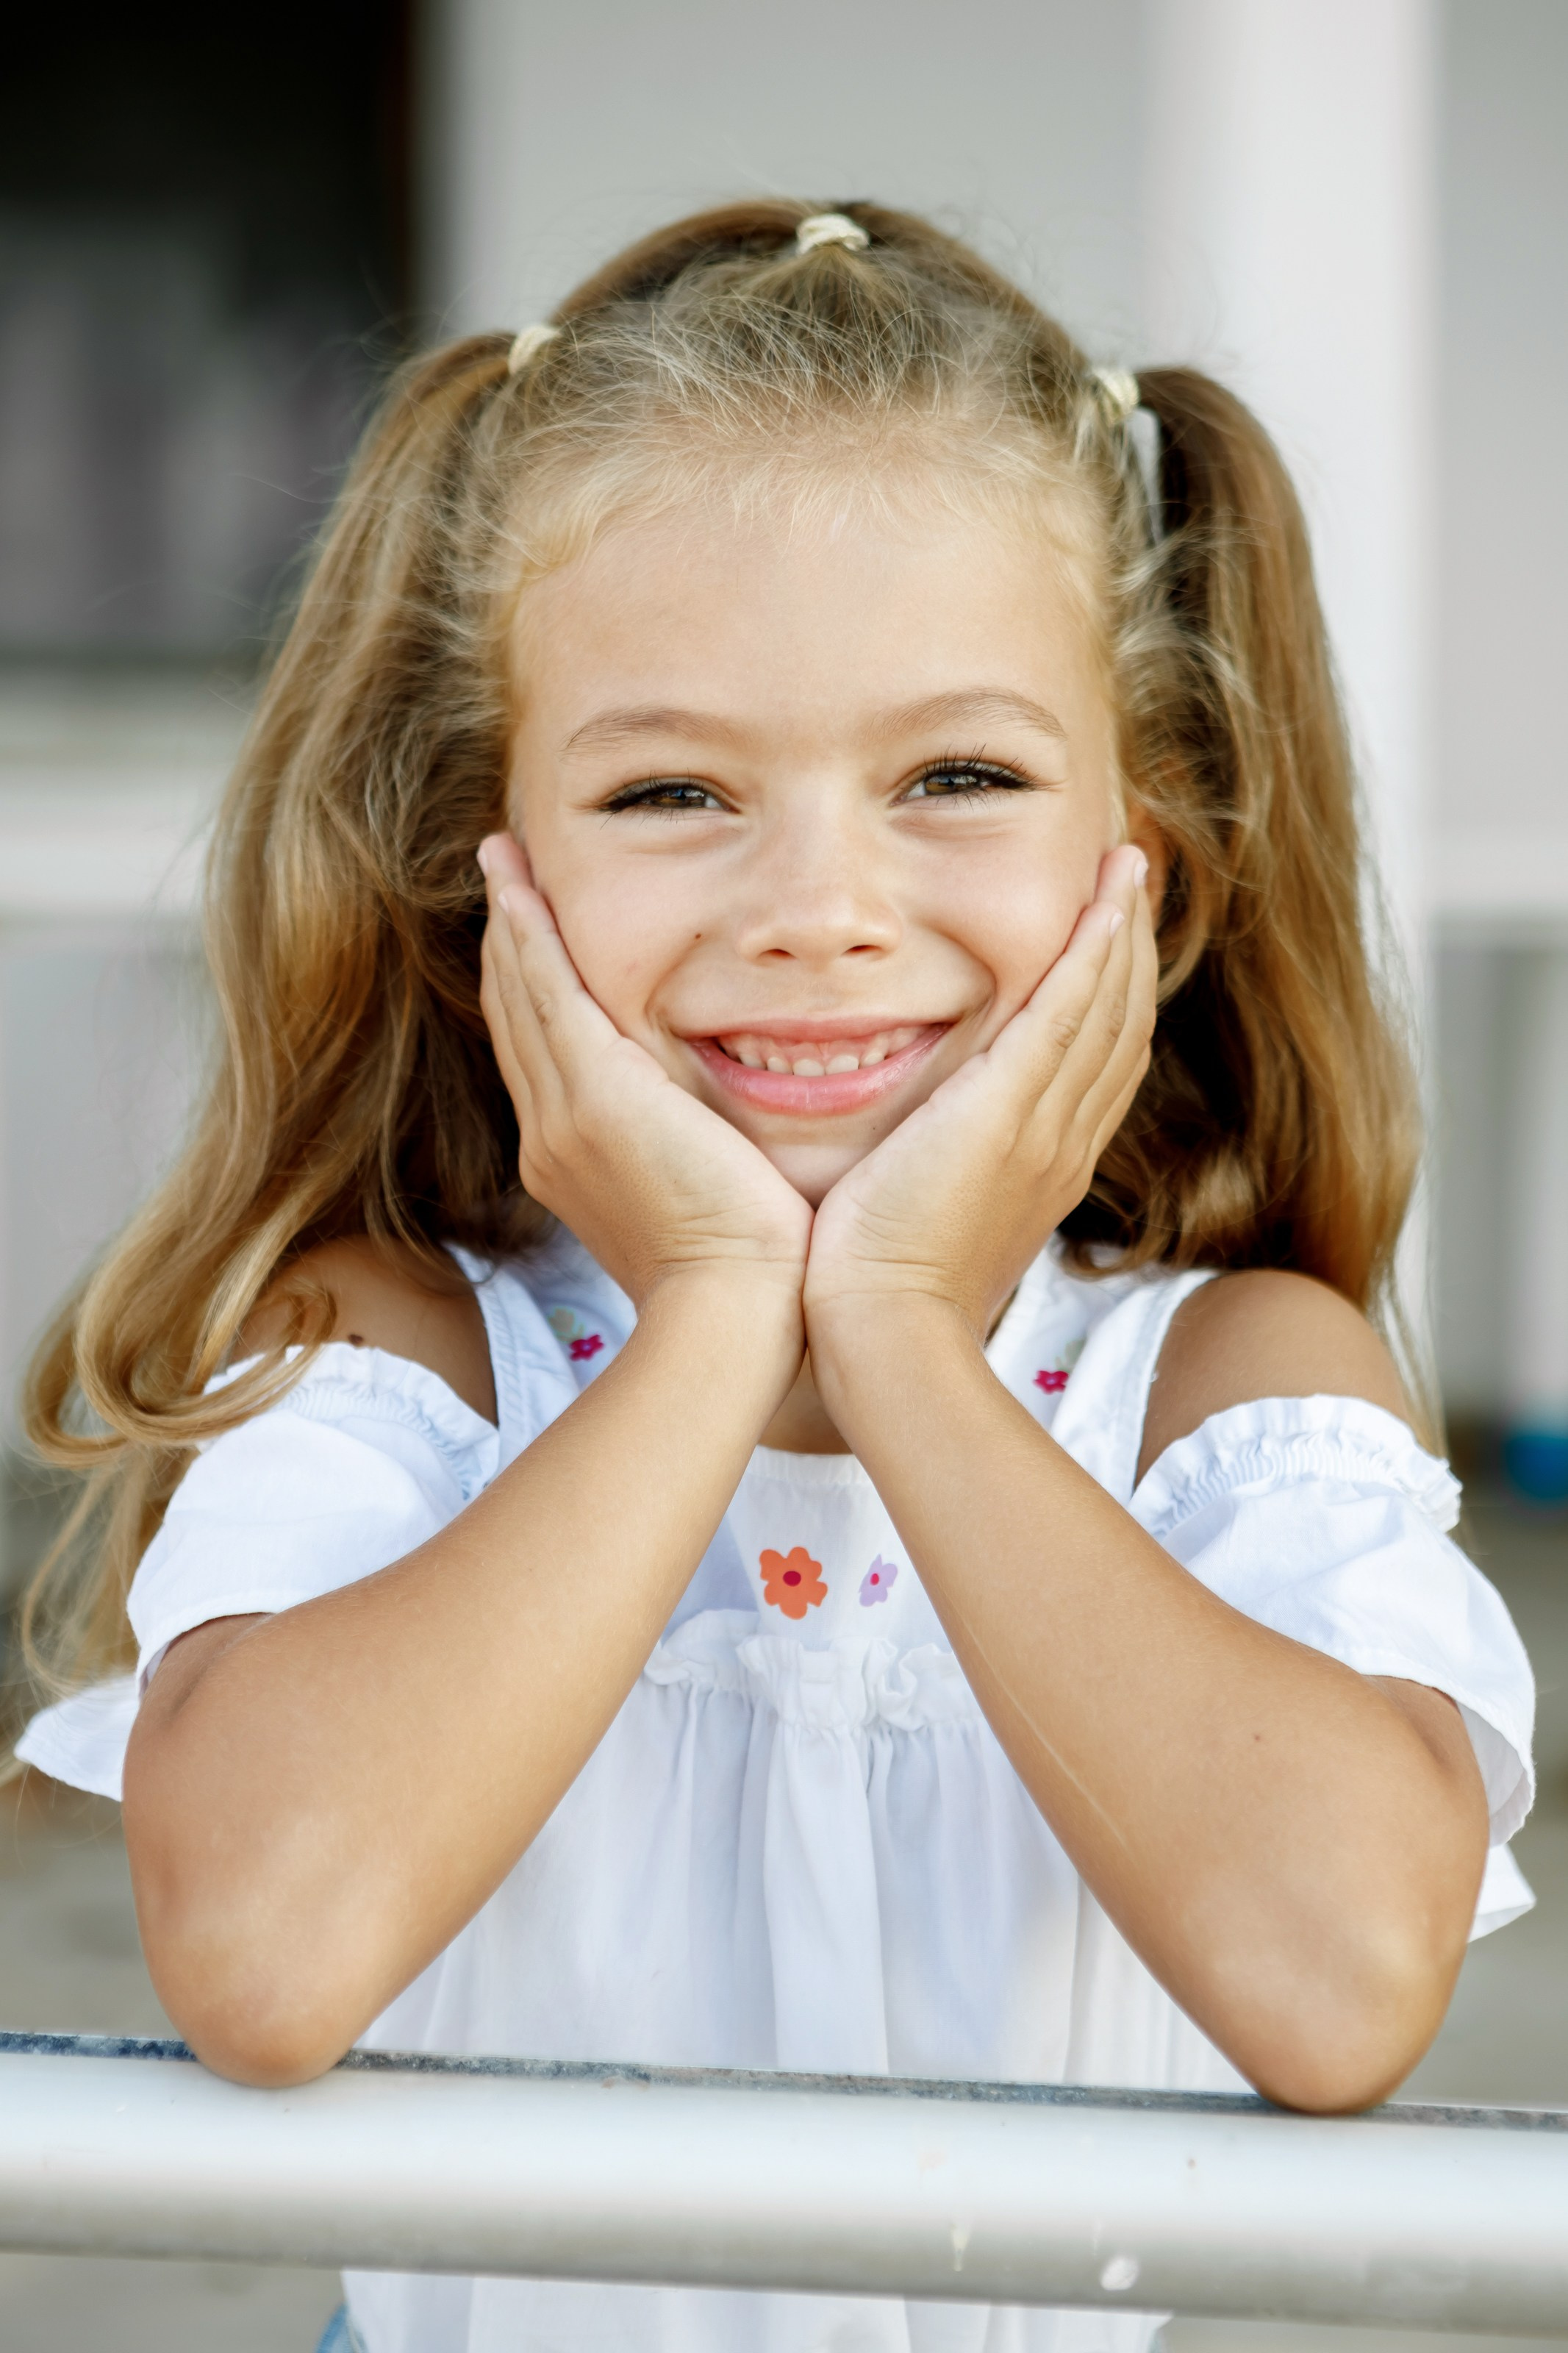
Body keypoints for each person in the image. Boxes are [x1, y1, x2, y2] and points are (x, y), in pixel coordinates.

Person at [14, 201, 1534, 2353]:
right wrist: (720, 1311)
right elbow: (264, 1953)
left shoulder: (1223, 1388)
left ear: (1152, 880)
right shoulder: (404, 1350)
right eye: (671, 789)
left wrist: (906, 1336)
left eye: (959, 777)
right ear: (487, 879)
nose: (820, 905)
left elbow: (1337, 1985)